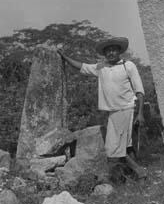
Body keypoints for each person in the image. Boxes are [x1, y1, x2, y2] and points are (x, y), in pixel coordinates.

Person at [58, 36, 147, 181]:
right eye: (108, 51)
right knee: (126, 145)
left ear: (119, 51)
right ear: (105, 54)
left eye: (114, 50)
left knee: (112, 148)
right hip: (113, 112)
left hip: (126, 109)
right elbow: (82, 67)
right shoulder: (101, 67)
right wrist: (64, 57)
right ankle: (133, 175)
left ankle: (139, 171)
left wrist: (141, 113)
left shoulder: (128, 65)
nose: (111, 53)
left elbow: (139, 90)